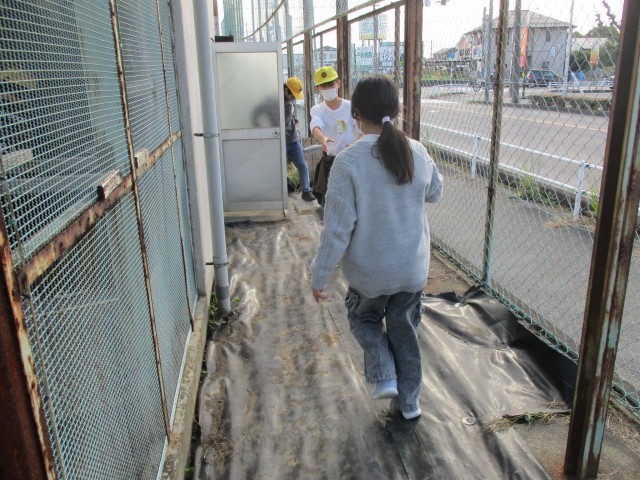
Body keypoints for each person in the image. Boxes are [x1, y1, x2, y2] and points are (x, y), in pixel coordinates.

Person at [310, 75, 443, 420]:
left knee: (363, 317)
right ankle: (410, 404)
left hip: (369, 273)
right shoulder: (417, 151)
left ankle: (384, 373)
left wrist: (319, 276)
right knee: (406, 333)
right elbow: (435, 192)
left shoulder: (349, 161)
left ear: (355, 113)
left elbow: (337, 230)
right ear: (396, 110)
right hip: (411, 270)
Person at [309, 66, 360, 204]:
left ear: (338, 83)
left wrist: (355, 144)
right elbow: (315, 124)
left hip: (350, 159)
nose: (327, 89)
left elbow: (360, 130)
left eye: (330, 84)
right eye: (323, 86)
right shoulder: (317, 109)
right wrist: (322, 138)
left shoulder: (351, 107)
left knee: (350, 198)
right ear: (317, 88)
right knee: (329, 199)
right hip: (330, 160)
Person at [284, 77, 314, 201]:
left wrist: (295, 121)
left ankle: (306, 191)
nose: (293, 98)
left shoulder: (289, 103)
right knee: (277, 168)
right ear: (286, 90)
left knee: (302, 165)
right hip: (280, 141)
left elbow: (289, 116)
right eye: (292, 94)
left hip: (293, 140)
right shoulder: (276, 102)